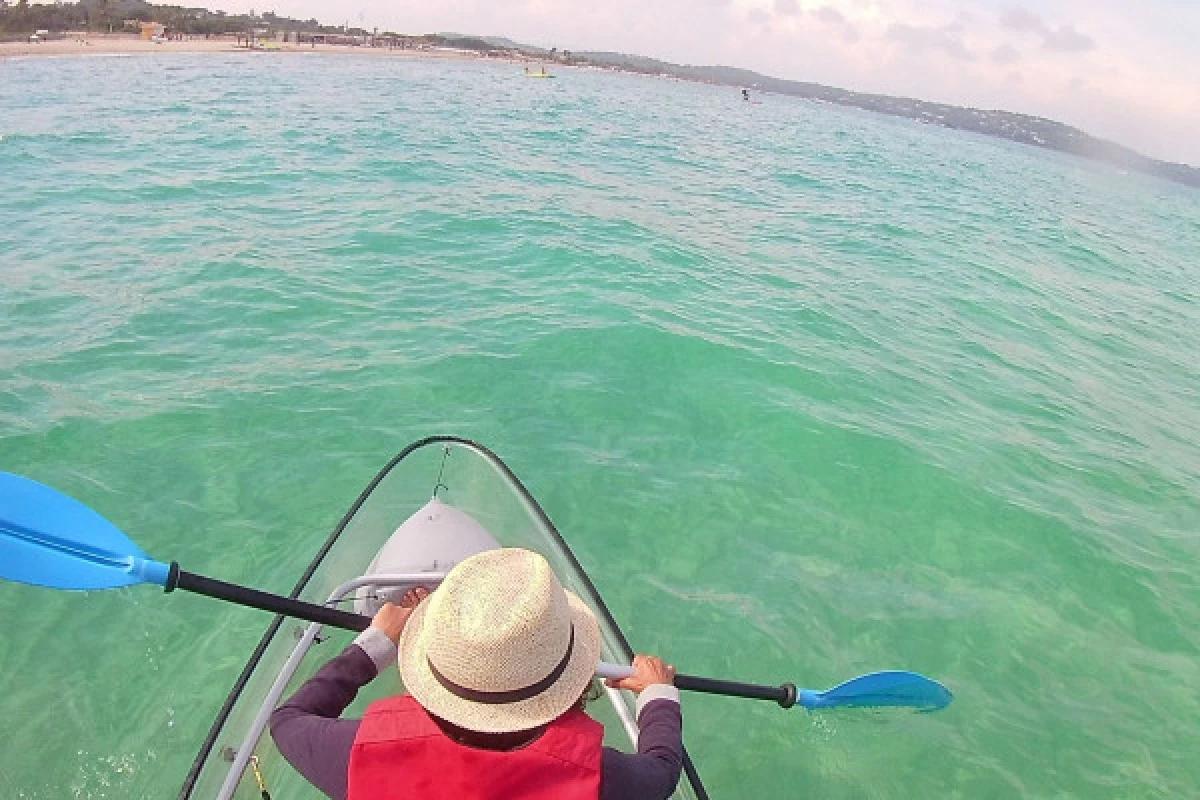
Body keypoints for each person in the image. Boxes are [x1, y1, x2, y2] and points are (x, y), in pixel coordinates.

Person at [271, 548, 684, 799]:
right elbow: (662, 770)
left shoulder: (360, 756)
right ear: (566, 684)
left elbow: (288, 720)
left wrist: (376, 644)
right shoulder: (600, 781)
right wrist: (657, 695)